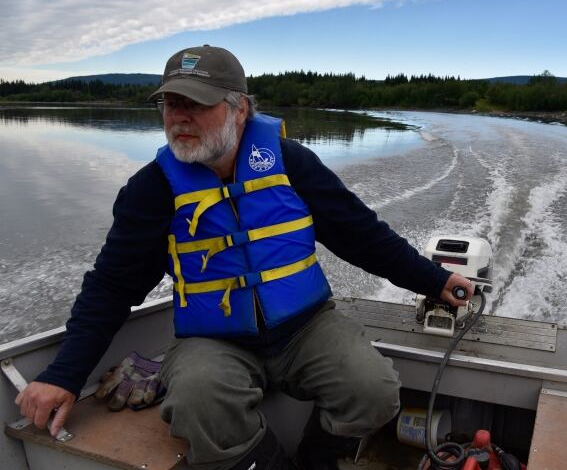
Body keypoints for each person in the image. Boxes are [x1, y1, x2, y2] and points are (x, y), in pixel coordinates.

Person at [14, 45, 472, 470]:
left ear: (240, 109)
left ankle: (316, 460)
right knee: (197, 403)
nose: (180, 118)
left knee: (372, 390)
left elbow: (361, 235)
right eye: (171, 104)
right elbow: (113, 285)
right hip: (212, 337)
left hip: (305, 327)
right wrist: (65, 375)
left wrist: (434, 281)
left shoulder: (291, 163)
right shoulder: (151, 189)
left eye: (196, 104)